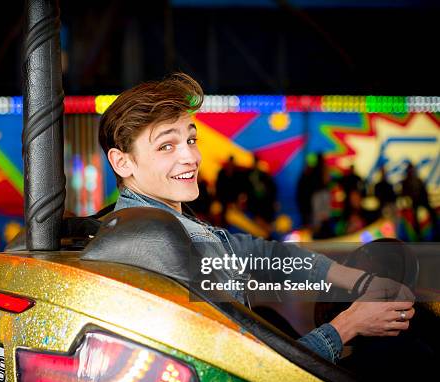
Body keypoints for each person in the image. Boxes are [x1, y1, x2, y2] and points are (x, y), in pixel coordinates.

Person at [98, 72, 414, 363]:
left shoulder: (166, 222)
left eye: (191, 140)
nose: (191, 157)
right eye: (167, 146)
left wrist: (358, 280)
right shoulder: (157, 244)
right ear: (122, 162)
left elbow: (263, 254)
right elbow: (249, 369)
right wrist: (349, 325)